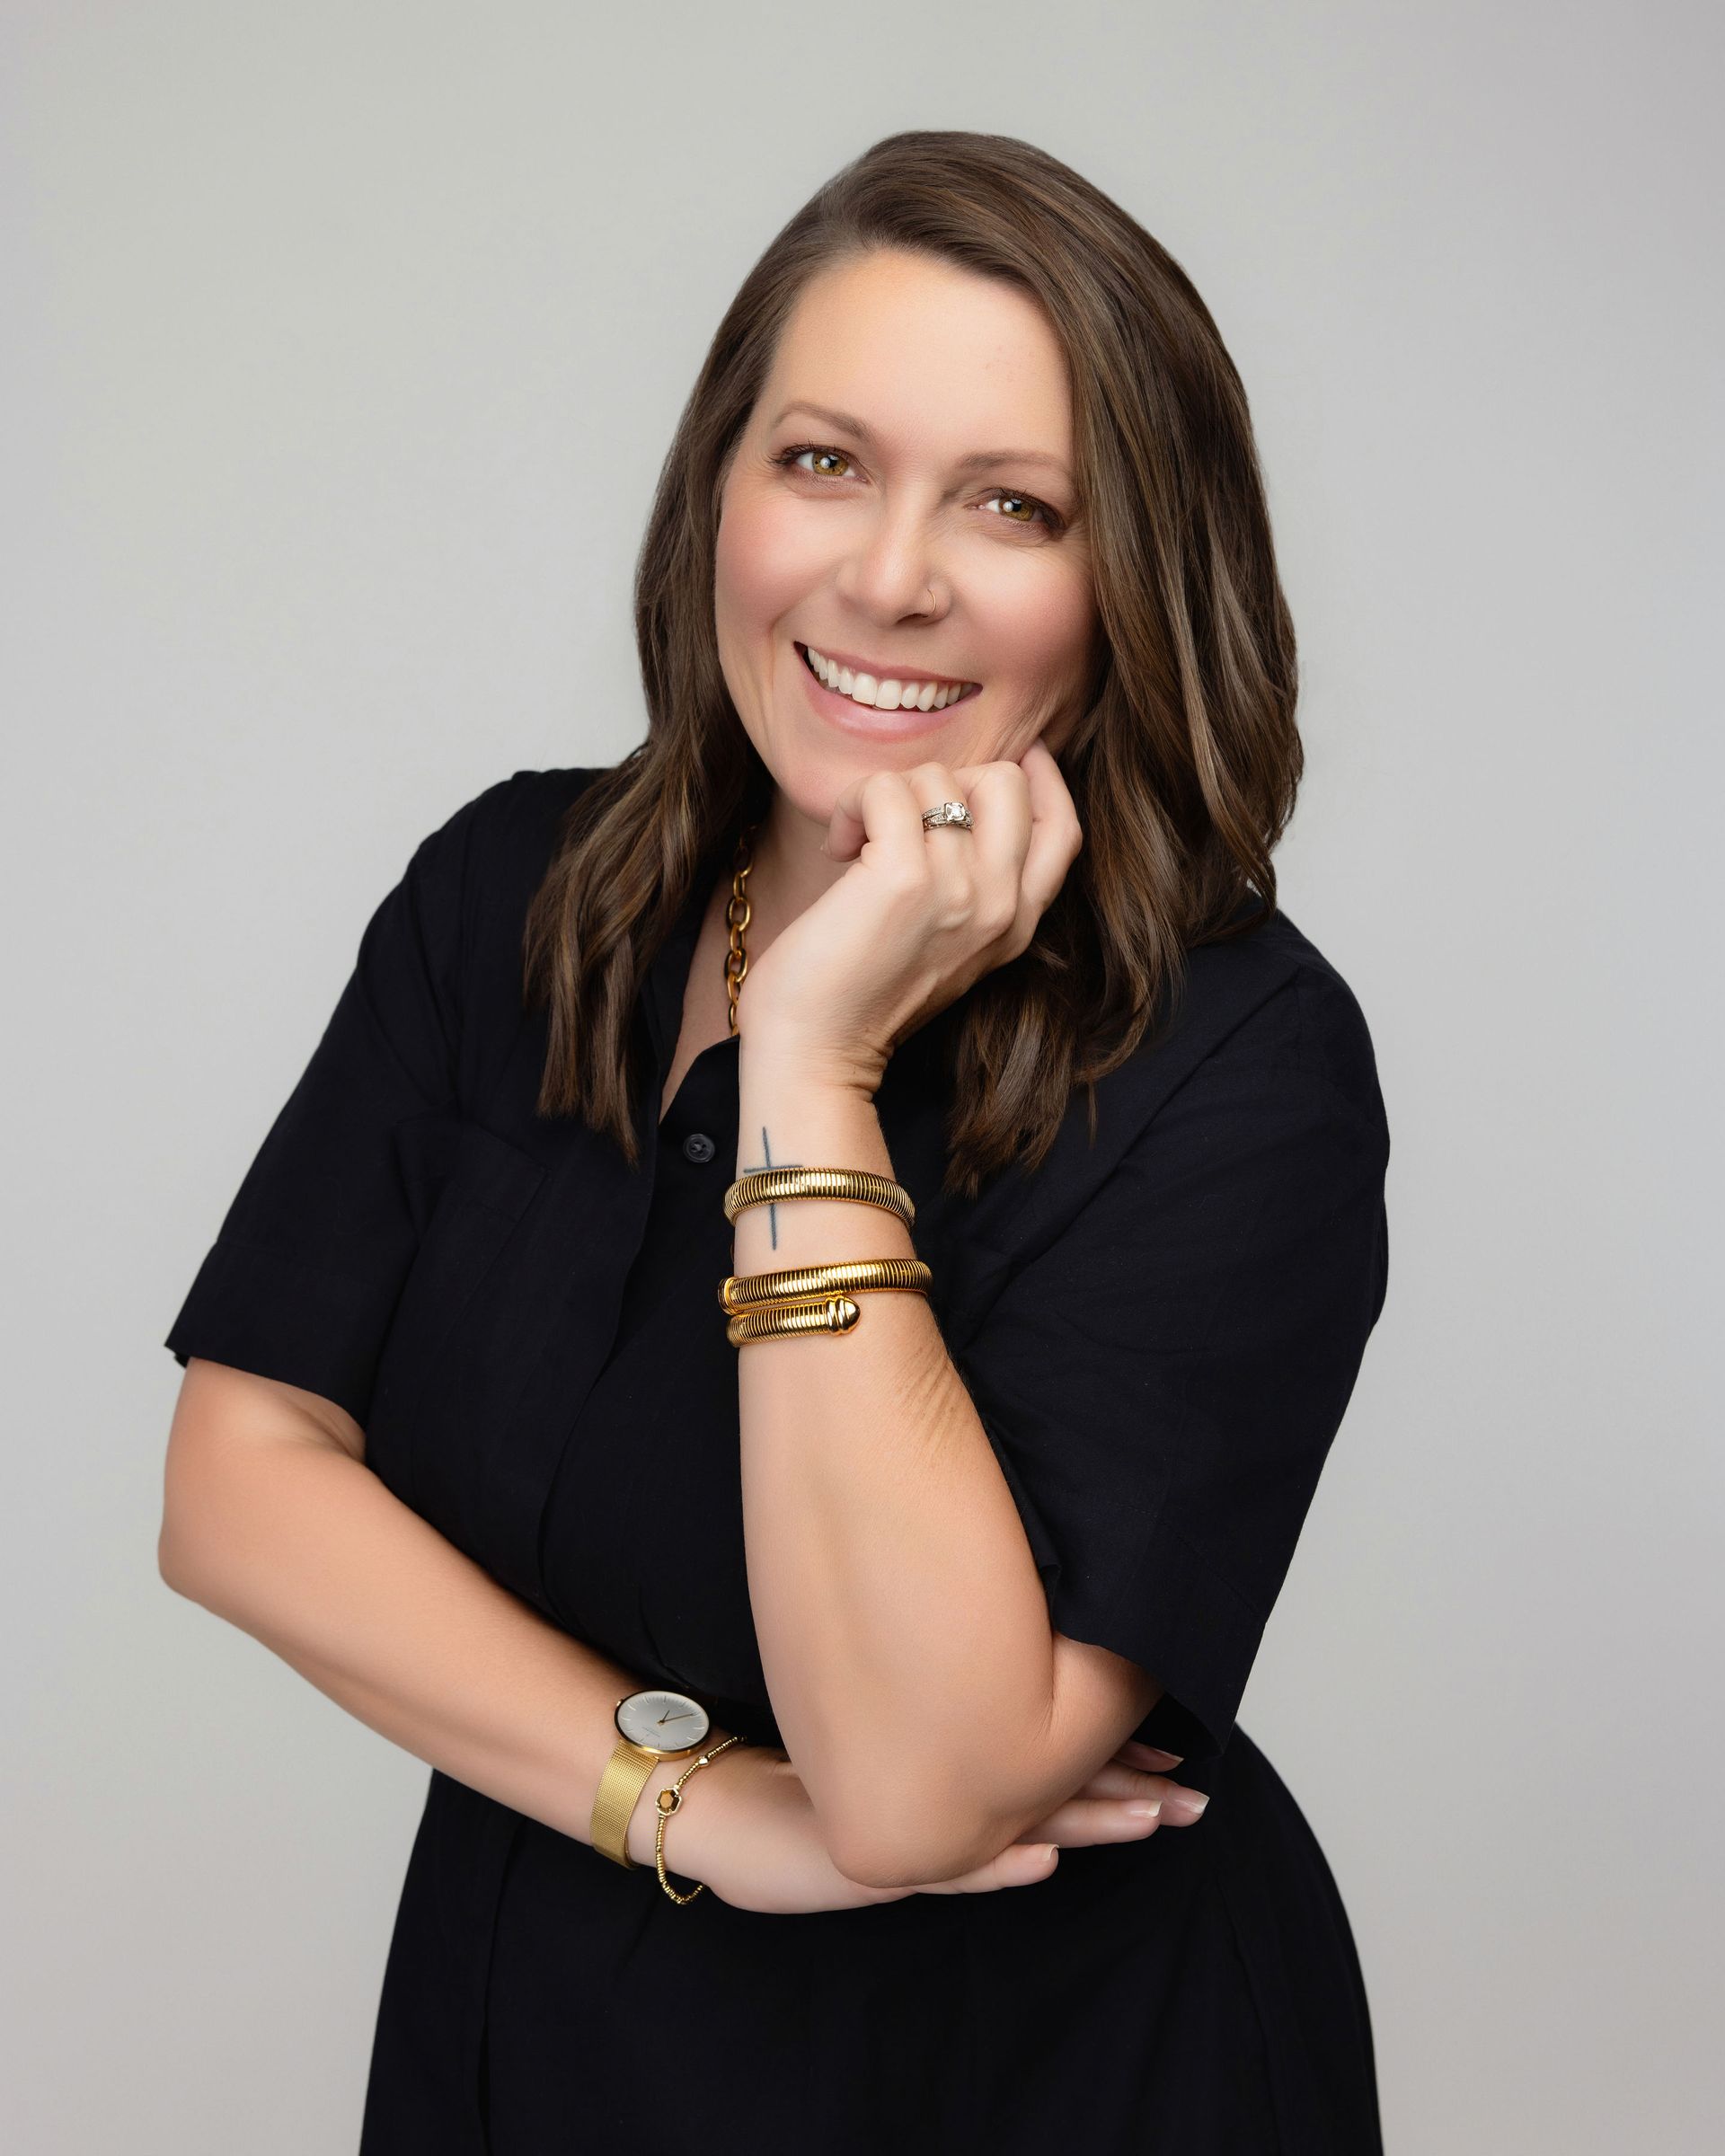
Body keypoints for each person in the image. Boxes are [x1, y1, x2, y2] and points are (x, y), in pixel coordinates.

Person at [158, 130, 1391, 2153]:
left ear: (1132, 581)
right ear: (716, 490)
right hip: (533, 2011)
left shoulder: (1242, 1063)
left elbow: (917, 1791)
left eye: (1013, 503)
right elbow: (237, 1478)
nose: (889, 574)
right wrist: (695, 1810)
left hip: (1037, 2074)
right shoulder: (515, 896)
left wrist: (809, 1064)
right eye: (823, 461)